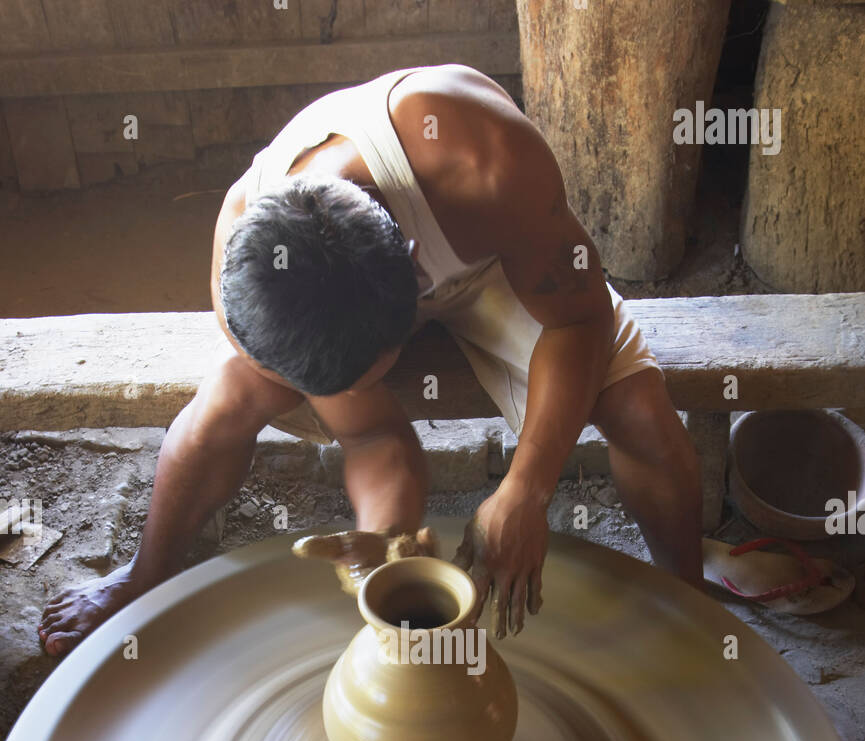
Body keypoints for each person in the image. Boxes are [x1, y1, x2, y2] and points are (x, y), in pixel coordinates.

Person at [39, 63, 703, 655]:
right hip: (349, 297)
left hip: (490, 260)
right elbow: (374, 435)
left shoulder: (487, 164)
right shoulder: (250, 276)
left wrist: (527, 489)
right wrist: (382, 546)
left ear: (415, 285)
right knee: (230, 398)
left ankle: (689, 600)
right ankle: (144, 574)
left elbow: (582, 316)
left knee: (640, 413)